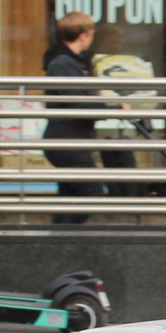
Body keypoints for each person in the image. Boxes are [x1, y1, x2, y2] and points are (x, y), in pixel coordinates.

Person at [41, 12, 121, 226]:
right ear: (84, 35)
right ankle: (61, 244)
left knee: (70, 197)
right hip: (68, 142)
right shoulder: (64, 64)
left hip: (67, 140)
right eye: (92, 32)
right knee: (92, 194)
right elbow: (78, 102)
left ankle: (55, 245)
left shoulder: (69, 63)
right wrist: (112, 106)